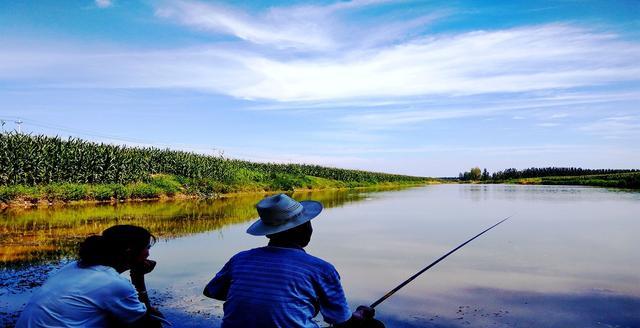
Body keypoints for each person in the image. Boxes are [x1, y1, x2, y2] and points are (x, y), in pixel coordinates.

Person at [204, 193, 384, 328]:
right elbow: (340, 320)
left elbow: (212, 291)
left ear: (268, 232)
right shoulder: (321, 269)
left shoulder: (240, 259)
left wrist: (258, 293)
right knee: (375, 327)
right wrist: (359, 314)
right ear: (306, 229)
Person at [16, 225, 166, 328]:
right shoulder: (113, 284)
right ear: (128, 252)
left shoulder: (74, 266)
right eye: (147, 248)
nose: (148, 253)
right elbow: (147, 322)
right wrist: (138, 278)